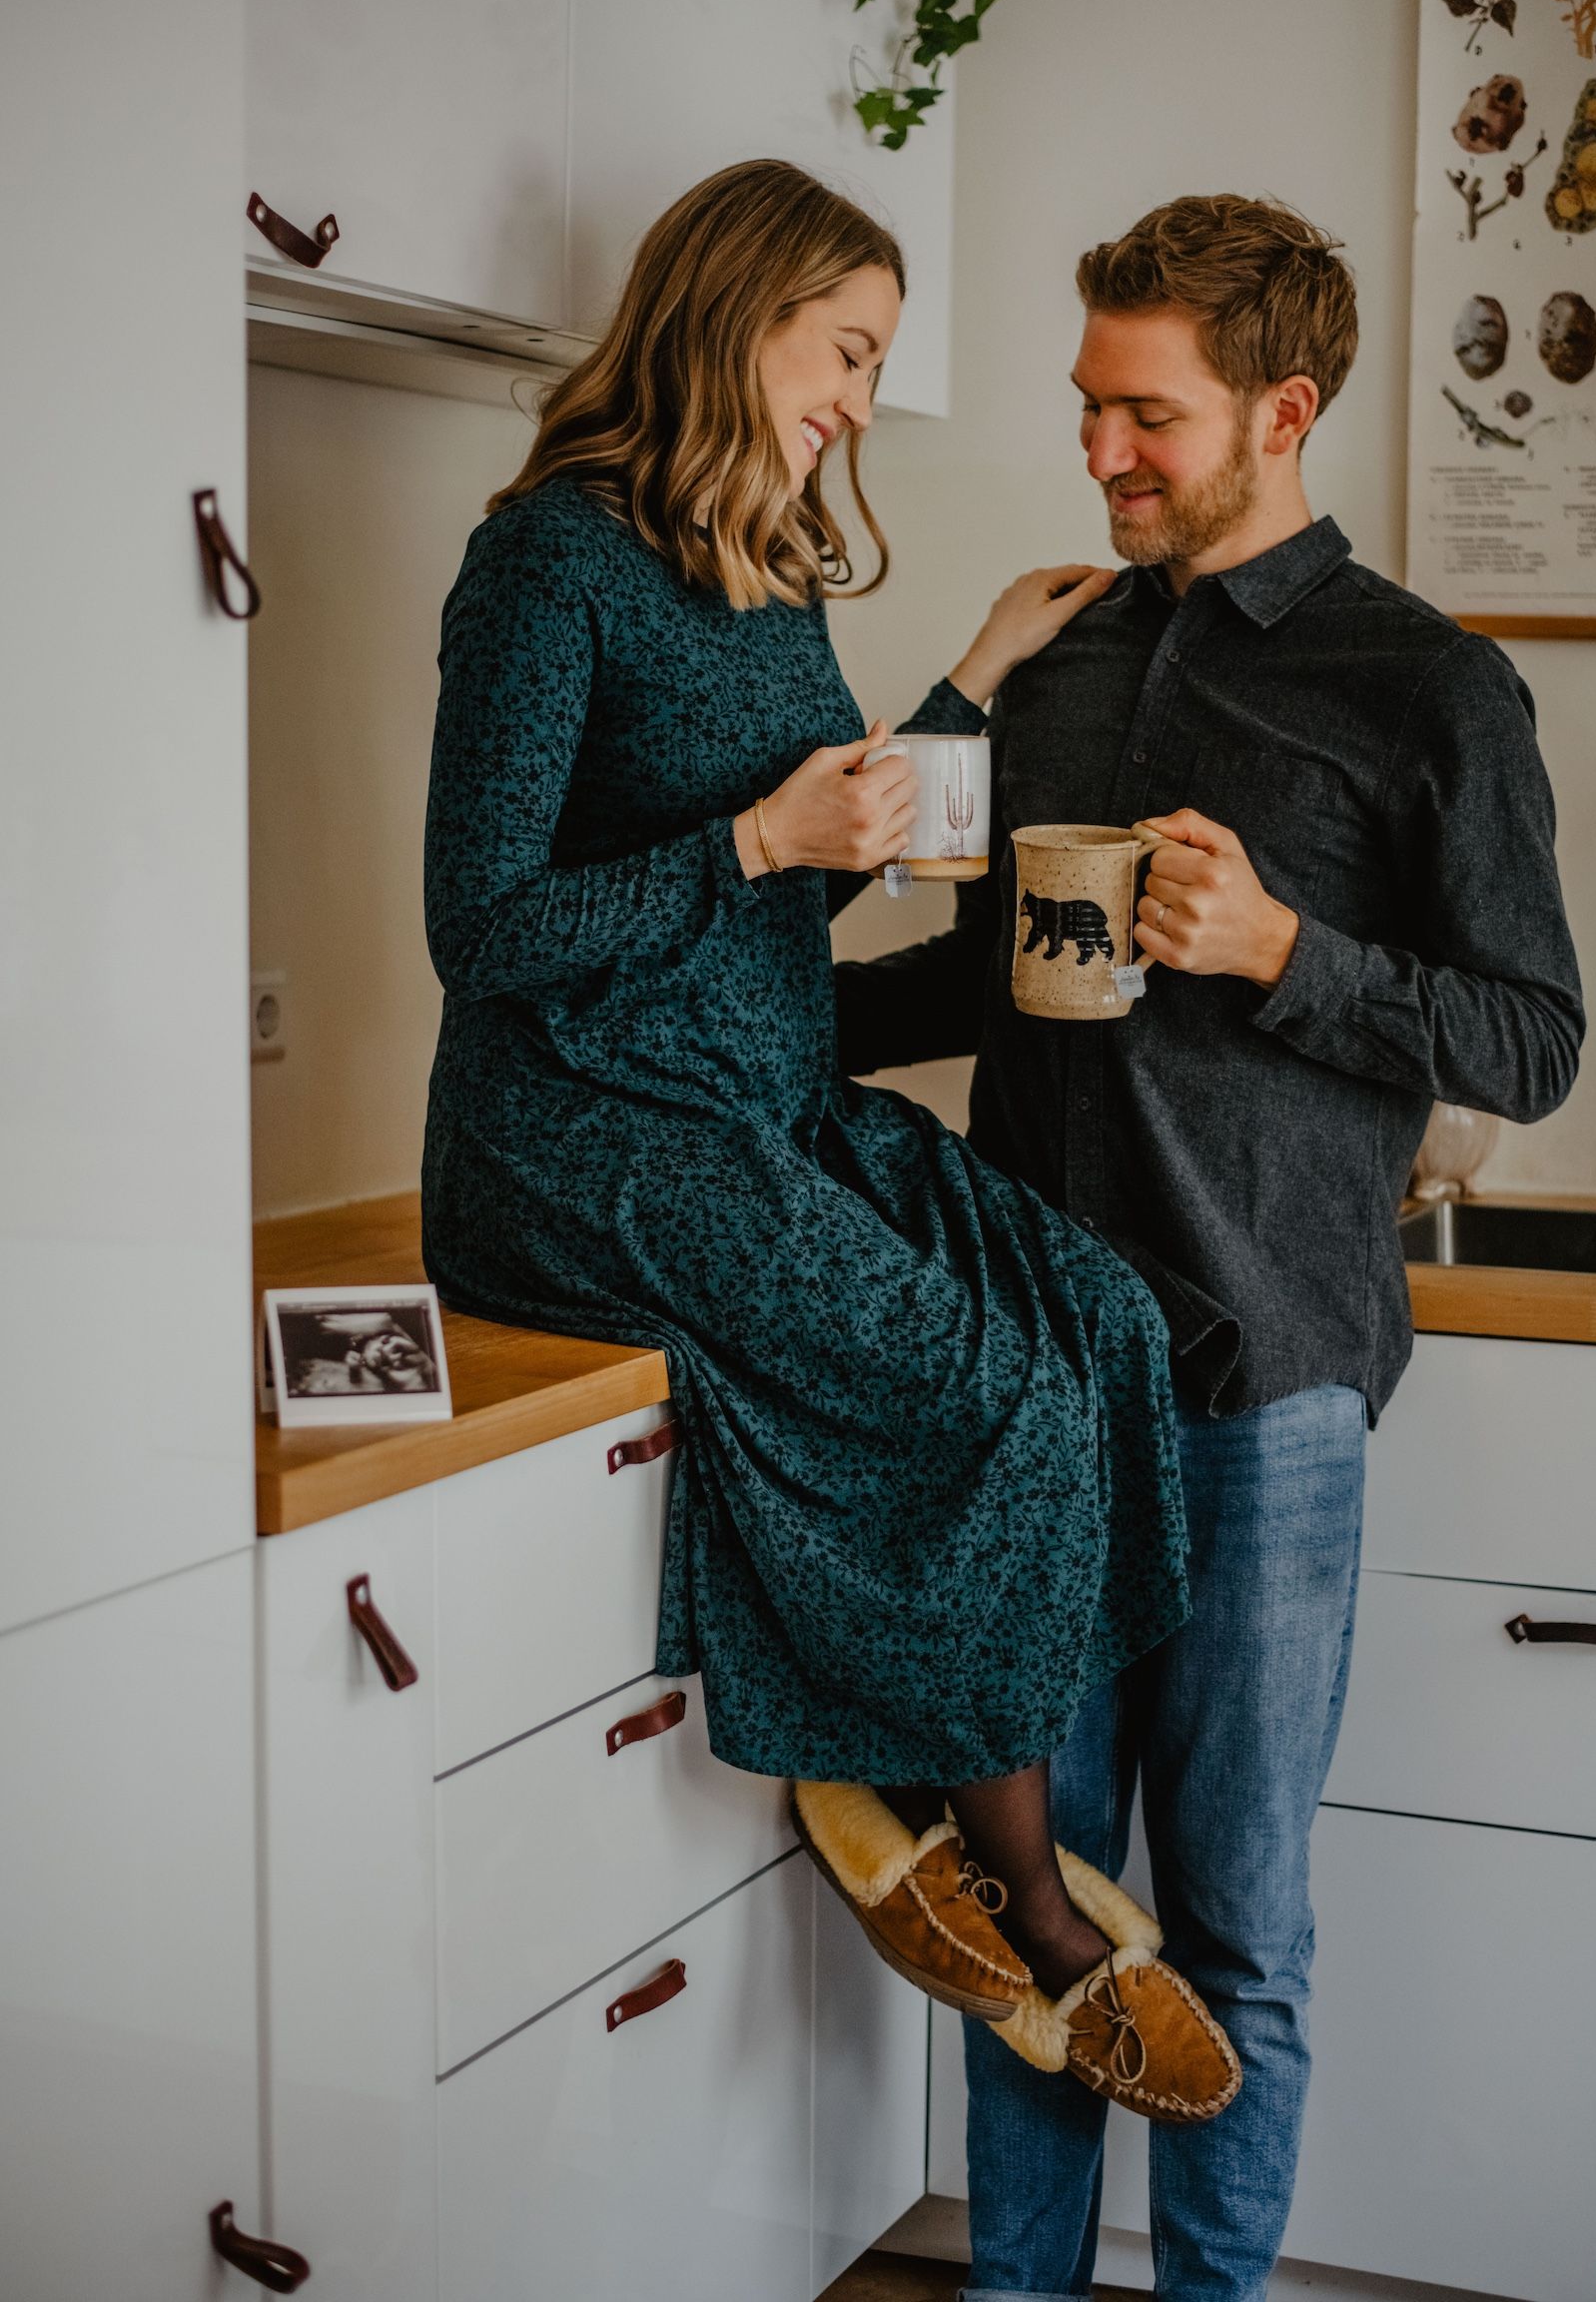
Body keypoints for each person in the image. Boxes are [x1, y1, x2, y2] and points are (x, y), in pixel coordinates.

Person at [419, 158, 1240, 2113]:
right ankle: (1036, 1918)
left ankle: (893, 1763)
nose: (861, 398)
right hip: (584, 1138)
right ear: (738, 308)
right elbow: (484, 930)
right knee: (996, 1398)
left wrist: (966, 679)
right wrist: (751, 842)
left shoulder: (767, 562)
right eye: (848, 350)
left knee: (1100, 1329)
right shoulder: (545, 561)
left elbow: (804, 857)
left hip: (764, 1106)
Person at [836, 193, 1584, 2299]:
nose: (1098, 452)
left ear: (1282, 406)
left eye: (1141, 415)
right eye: (1086, 407)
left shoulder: (1428, 689)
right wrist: (724, 1026)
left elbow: (1529, 1036)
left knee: (1231, 1933)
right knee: (1025, 1912)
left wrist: (1280, 953)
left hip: (1266, 1391)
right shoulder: (1054, 656)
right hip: (1027, 1394)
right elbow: (968, 958)